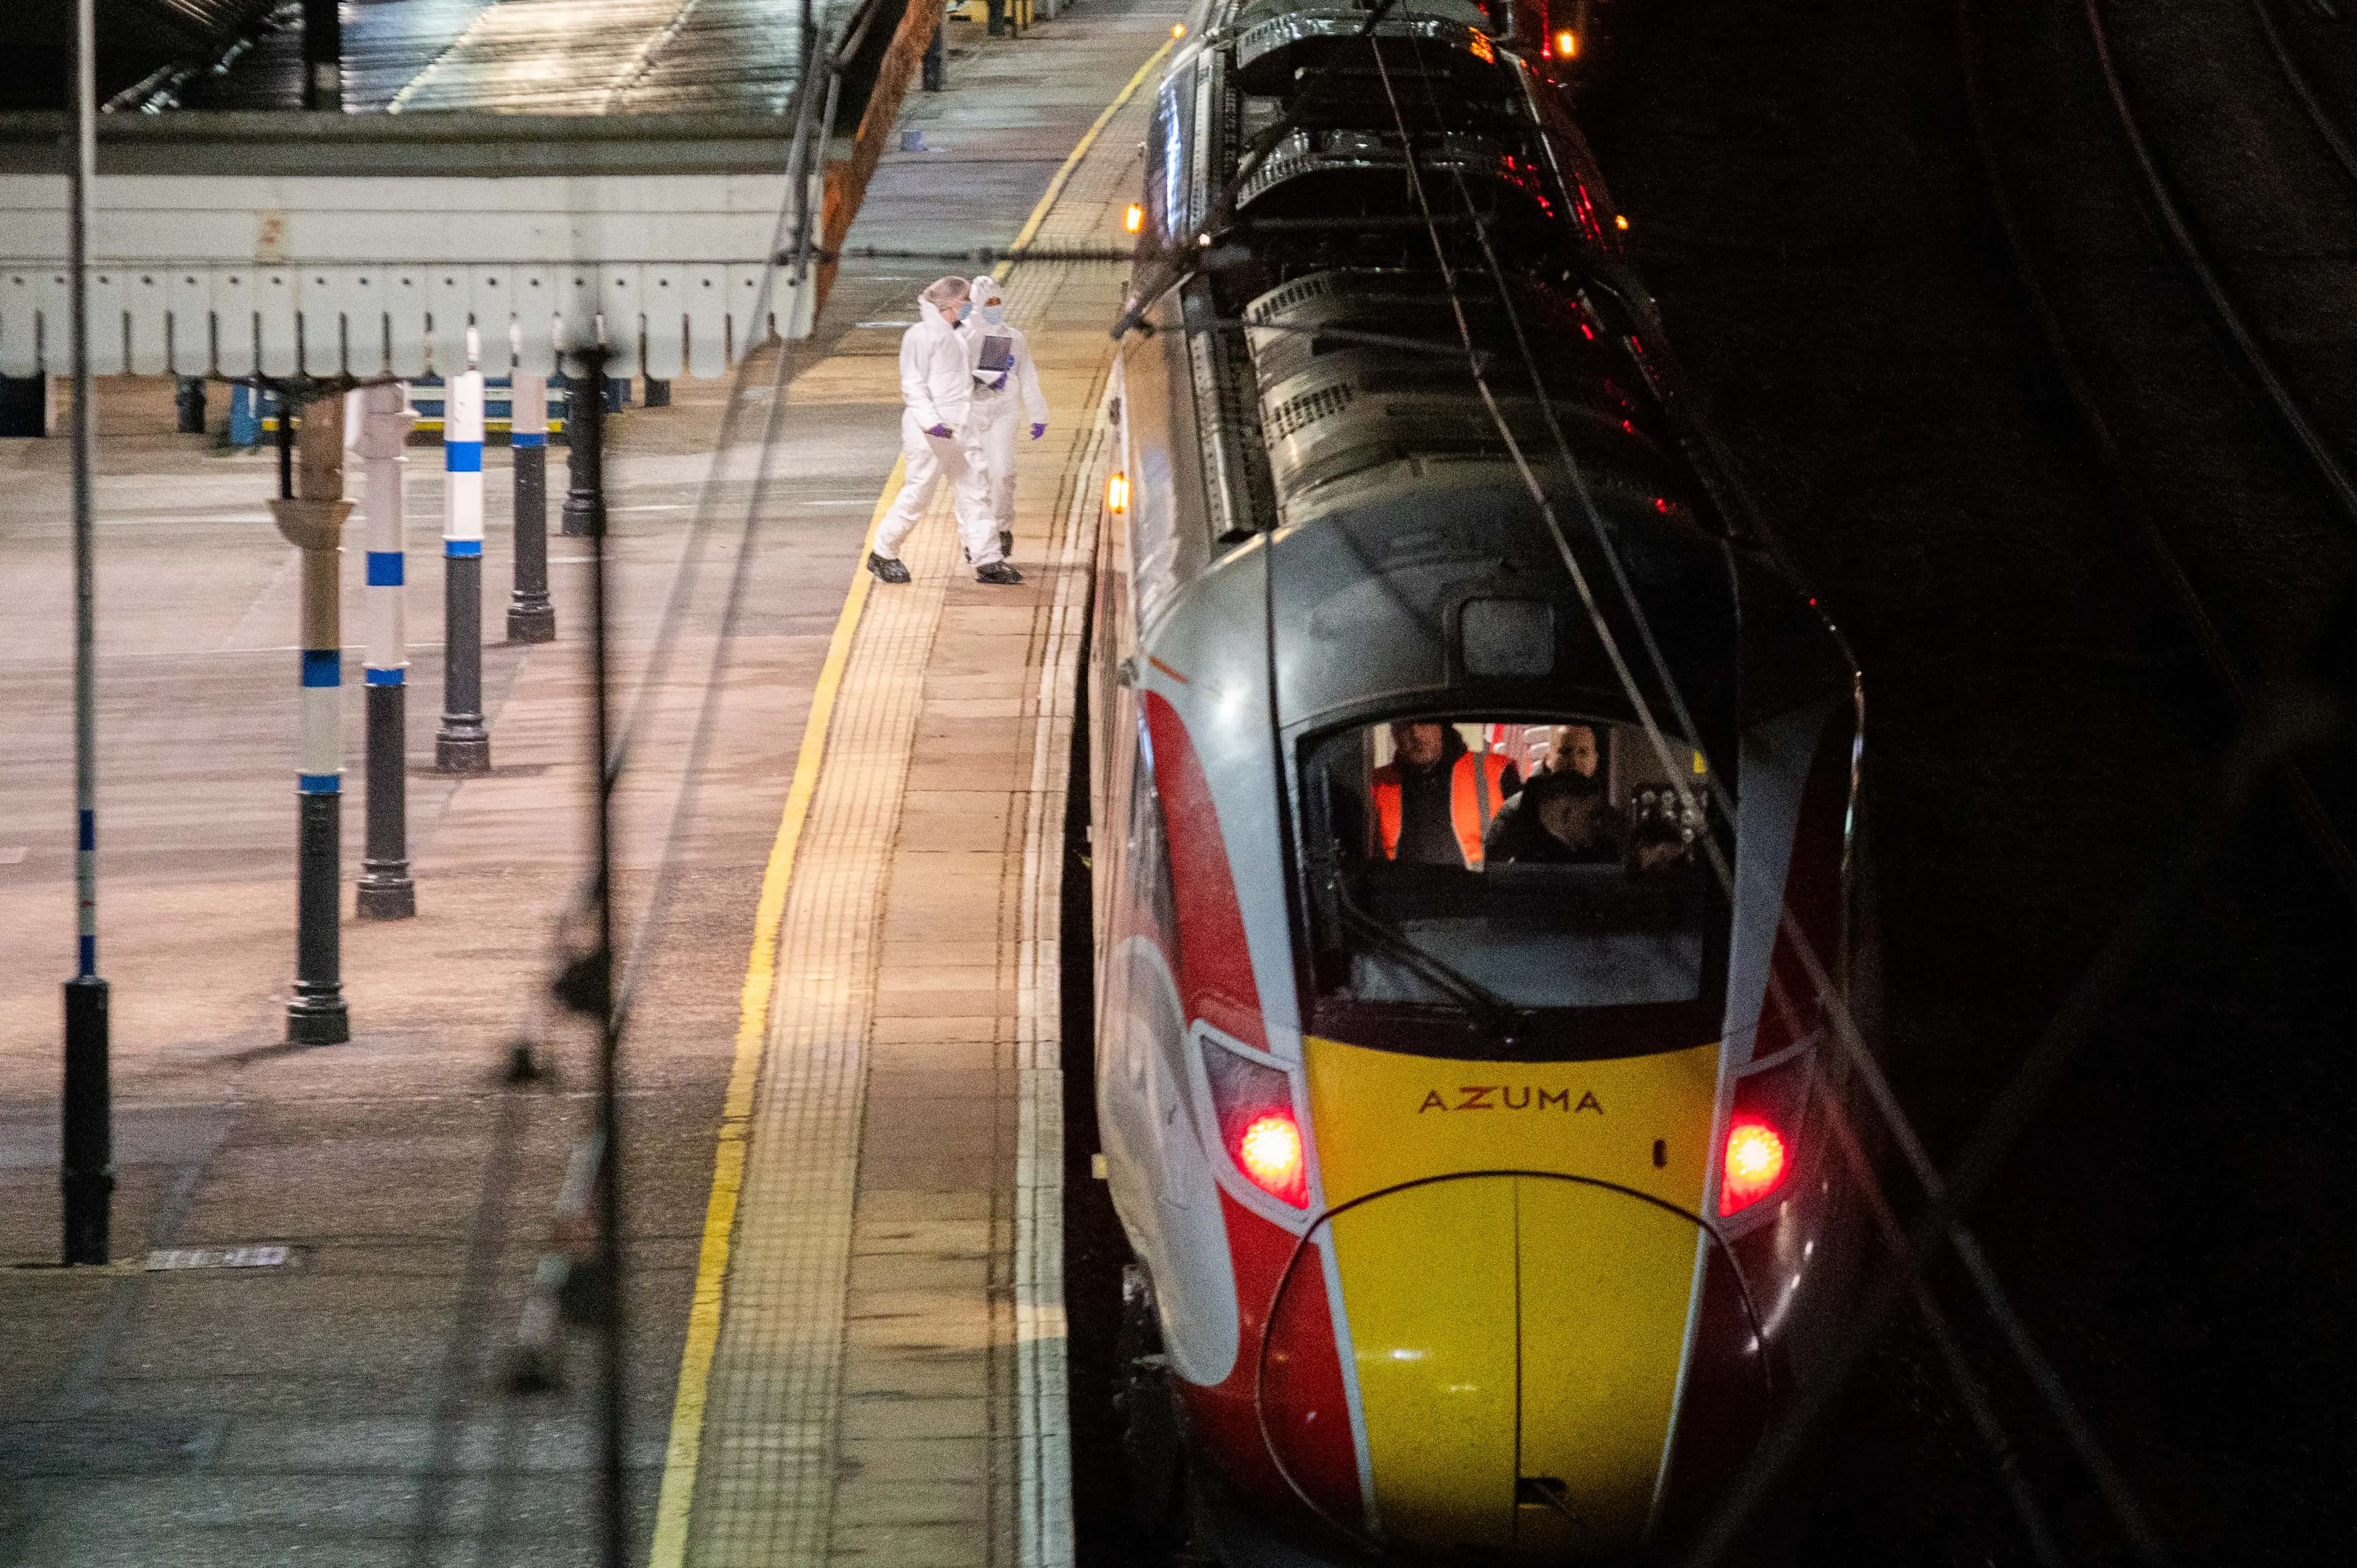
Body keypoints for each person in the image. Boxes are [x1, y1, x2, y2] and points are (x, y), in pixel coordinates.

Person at [869, 276, 1021, 586]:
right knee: (919, 493)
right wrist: (930, 422)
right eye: (966, 300)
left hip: (961, 427)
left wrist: (990, 375)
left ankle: (988, 559)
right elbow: (912, 384)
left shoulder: (957, 335)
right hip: (932, 432)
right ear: (952, 304)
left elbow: (966, 362)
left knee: (975, 490)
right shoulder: (921, 336)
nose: (969, 306)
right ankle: (883, 553)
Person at [962, 275, 1048, 564]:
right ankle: (975, 537)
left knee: (1003, 474)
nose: (993, 309)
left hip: (1003, 414)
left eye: (997, 303)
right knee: (974, 480)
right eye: (987, 304)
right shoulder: (961, 339)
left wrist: (1038, 414)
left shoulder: (1014, 338)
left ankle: (1002, 529)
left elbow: (1028, 377)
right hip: (972, 415)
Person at [1371, 722, 1522, 868]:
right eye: (1405, 725)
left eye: (1425, 722)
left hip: (1483, 891)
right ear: (1394, 732)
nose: (1416, 734)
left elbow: (1526, 850)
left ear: (1443, 726)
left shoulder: (1497, 771)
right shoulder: (1376, 785)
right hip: (1401, 892)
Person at [1482, 768, 1621, 865]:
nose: (1598, 823)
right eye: (1592, 815)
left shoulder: (1594, 852)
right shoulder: (1544, 866)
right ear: (1565, 814)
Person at [1534, 722, 1600, 781]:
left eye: (1583, 752)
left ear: (1595, 760)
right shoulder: (1534, 792)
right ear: (1548, 758)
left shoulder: (1608, 790)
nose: (1574, 761)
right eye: (1565, 752)